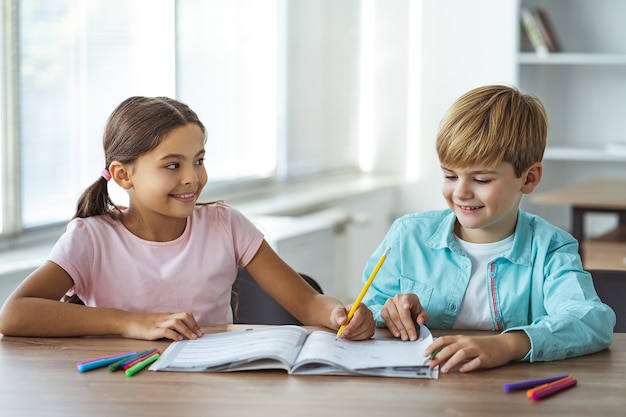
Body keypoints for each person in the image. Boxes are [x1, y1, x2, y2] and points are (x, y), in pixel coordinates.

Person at [0, 96, 374, 341]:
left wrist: (340, 314)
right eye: (172, 165)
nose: (192, 178)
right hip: (118, 385)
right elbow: (14, 314)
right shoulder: (91, 238)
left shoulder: (226, 225)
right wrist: (131, 322)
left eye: (199, 160)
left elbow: (307, 304)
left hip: (212, 384)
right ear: (122, 175)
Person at [361, 85, 616, 373]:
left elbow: (591, 320)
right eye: (449, 175)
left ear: (528, 178)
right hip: (425, 390)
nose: (460, 192)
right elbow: (370, 307)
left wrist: (509, 345)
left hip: (509, 395)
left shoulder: (551, 248)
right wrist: (389, 311)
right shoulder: (408, 235)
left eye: (481, 179)